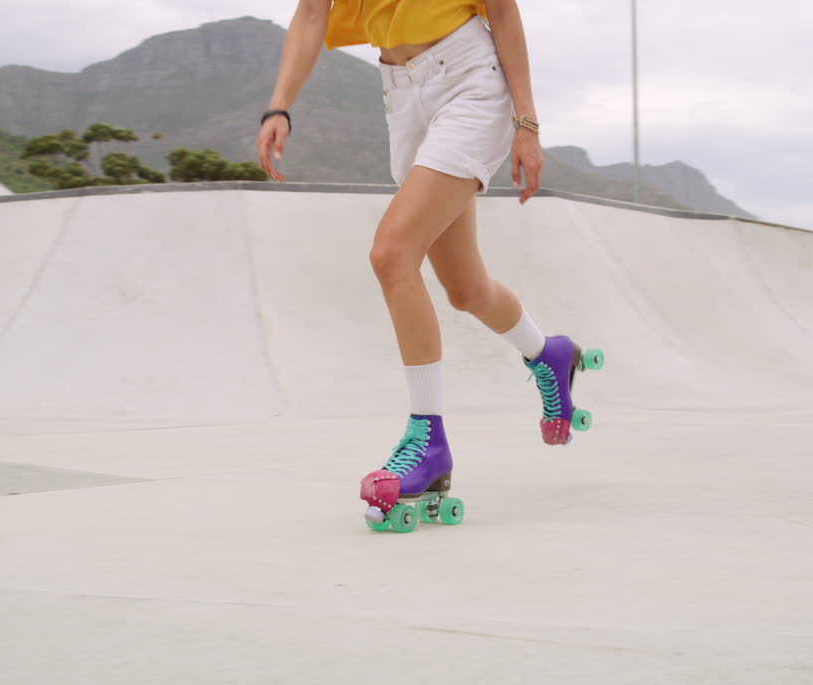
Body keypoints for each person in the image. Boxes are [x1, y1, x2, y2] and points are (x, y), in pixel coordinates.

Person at [256, 0, 603, 532]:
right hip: (402, 96)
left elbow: (502, 12)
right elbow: (310, 14)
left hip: (468, 82)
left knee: (391, 252)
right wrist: (279, 106)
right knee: (466, 289)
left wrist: (526, 124)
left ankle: (428, 440)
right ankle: (548, 353)